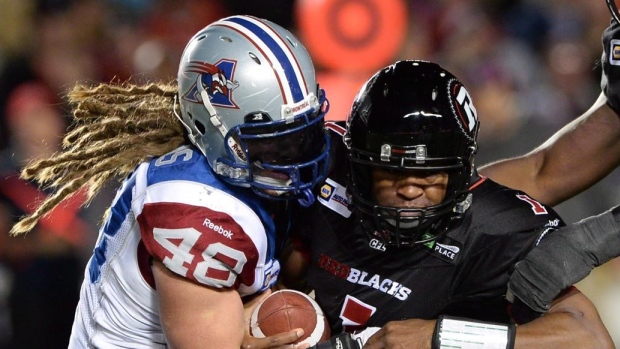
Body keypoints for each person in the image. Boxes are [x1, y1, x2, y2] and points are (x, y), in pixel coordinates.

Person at [8, 15, 330, 348]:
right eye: (272, 141)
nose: (293, 155)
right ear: (210, 125)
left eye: (302, 133)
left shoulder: (241, 175)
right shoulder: (193, 203)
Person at [278, 60, 613, 349]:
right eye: (392, 171)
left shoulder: (493, 227)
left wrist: (445, 338)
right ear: (359, 167)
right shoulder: (322, 164)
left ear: (461, 173)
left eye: (430, 174)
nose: (409, 190)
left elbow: (588, 338)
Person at [477, 17, 620, 316]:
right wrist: (447, 196)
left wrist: (589, 242)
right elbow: (544, 171)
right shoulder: (485, 142)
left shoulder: (534, 126)